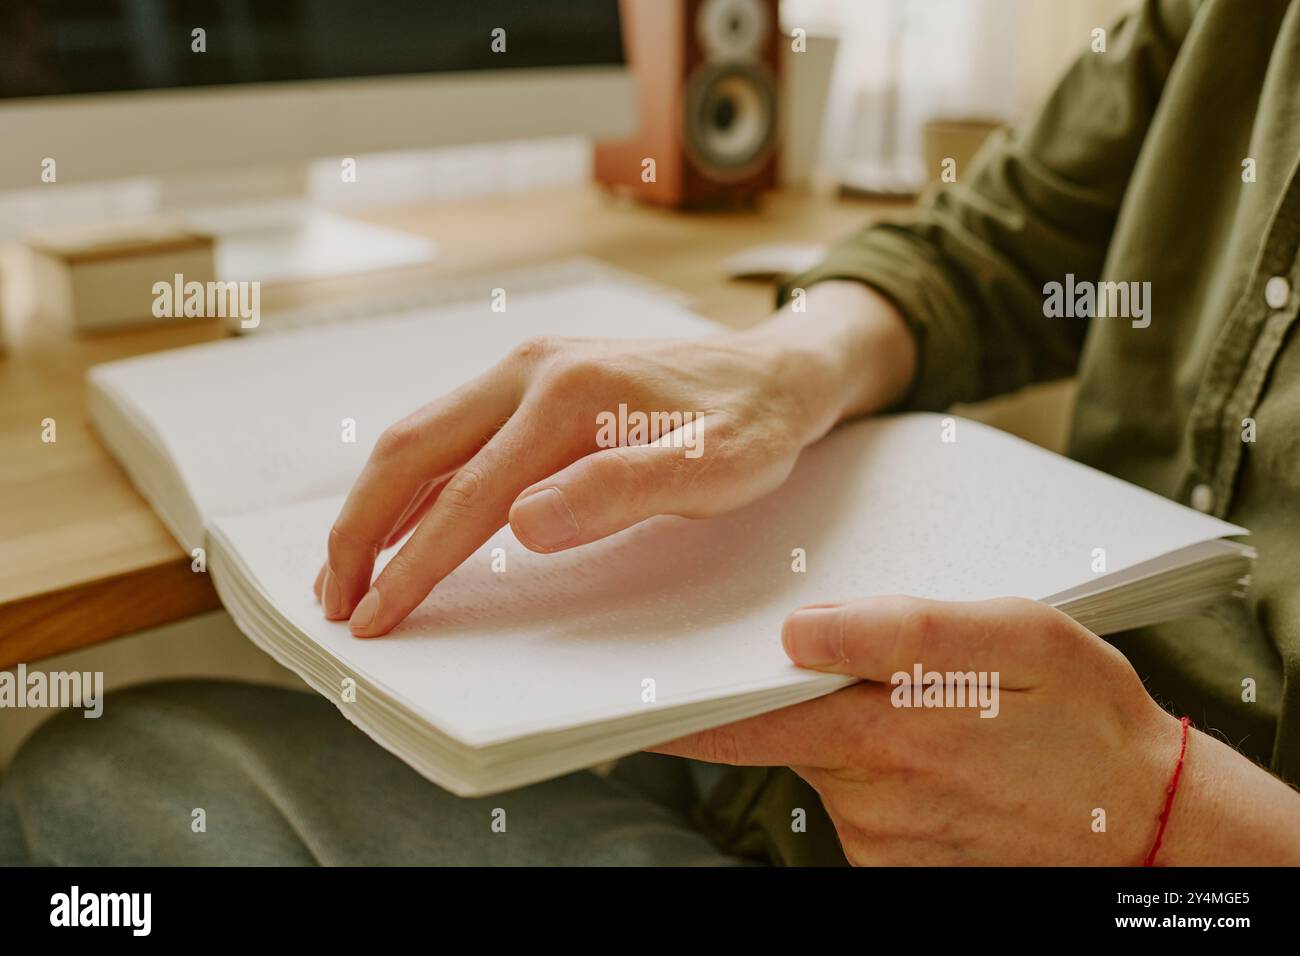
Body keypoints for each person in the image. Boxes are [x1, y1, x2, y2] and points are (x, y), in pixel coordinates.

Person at [3, 0, 1299, 866]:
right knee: (130, 754)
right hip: (872, 747)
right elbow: (994, 248)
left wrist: (1159, 811)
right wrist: (787, 363)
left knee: (93, 786)